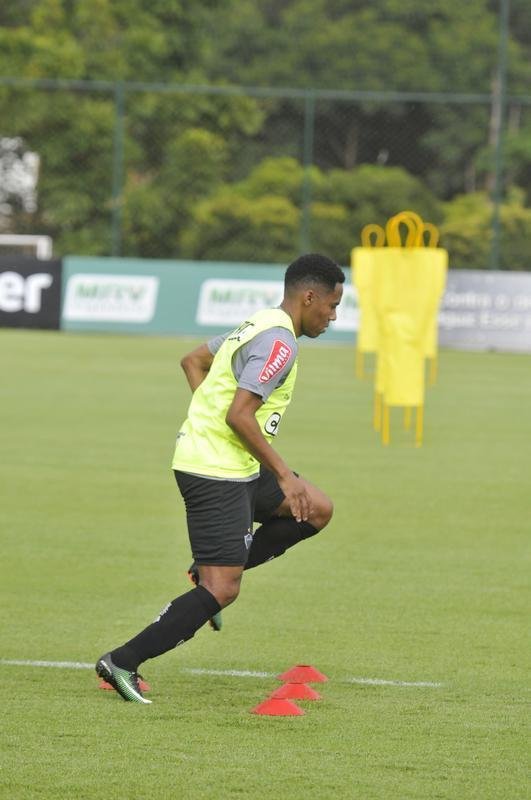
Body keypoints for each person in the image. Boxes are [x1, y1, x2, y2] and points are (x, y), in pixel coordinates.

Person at [96, 253, 345, 703]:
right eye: (332, 305)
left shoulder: (260, 323)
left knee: (317, 509)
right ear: (309, 297)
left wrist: (209, 415)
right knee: (223, 589)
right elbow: (239, 415)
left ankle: (209, 564)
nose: (333, 316)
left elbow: (193, 362)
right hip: (215, 470)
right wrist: (285, 476)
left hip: (236, 463)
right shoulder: (280, 344)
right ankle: (123, 661)